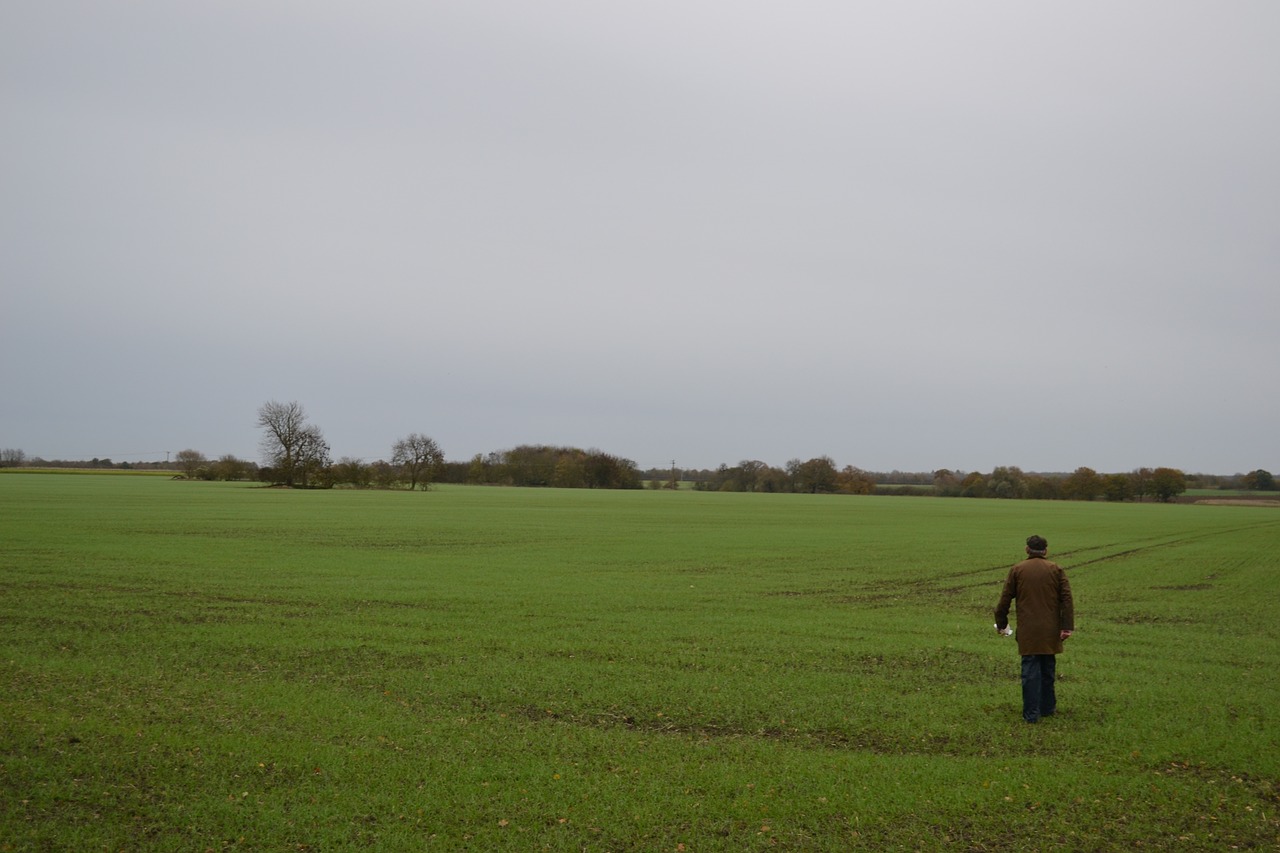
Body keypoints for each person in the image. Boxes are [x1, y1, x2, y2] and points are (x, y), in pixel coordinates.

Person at [994, 535, 1074, 723]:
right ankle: (1047, 708)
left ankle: (1031, 714)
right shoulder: (1056, 569)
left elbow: (1005, 600)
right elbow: (1067, 599)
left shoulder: (1017, 570)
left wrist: (1002, 623)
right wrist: (1067, 626)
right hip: (1051, 629)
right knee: (1048, 668)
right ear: (1046, 550)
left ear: (1026, 550)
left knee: (1030, 672)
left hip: (1028, 630)